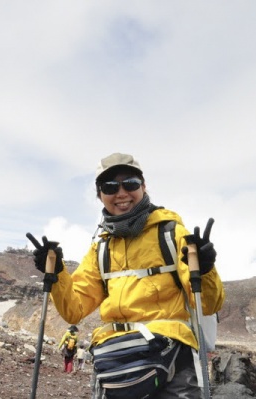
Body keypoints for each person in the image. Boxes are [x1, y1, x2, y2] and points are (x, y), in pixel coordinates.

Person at [28, 152, 225, 399]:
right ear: (99, 194)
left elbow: (207, 304)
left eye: (130, 183)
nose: (121, 193)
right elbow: (74, 310)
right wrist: (57, 275)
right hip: (117, 361)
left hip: (172, 355)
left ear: (143, 186)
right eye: (109, 186)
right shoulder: (100, 248)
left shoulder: (171, 233)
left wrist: (205, 269)